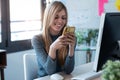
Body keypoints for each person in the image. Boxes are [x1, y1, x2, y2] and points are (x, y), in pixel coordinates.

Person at [31, 1, 76, 77]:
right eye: (56, 17)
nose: (60, 21)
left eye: (63, 18)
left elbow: (68, 70)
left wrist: (71, 47)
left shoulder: (70, 38)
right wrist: (53, 48)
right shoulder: (37, 40)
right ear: (48, 17)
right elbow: (50, 71)